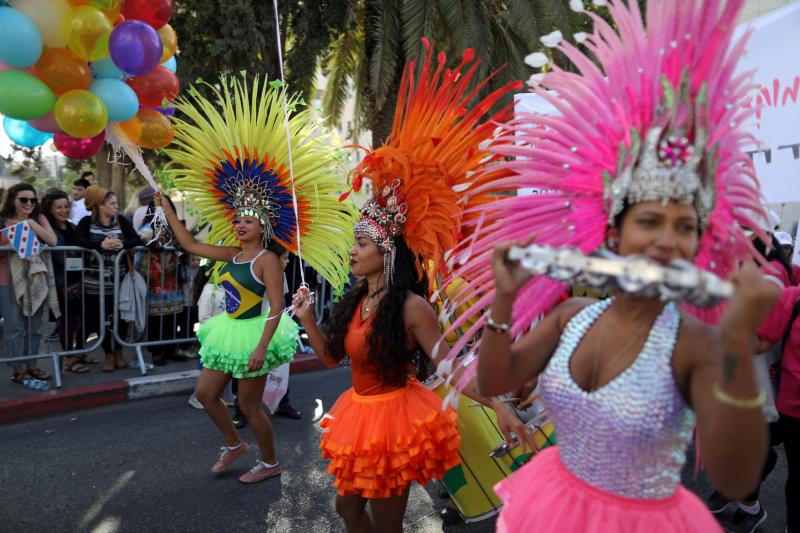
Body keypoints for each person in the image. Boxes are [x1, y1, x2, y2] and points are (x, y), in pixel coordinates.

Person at [435, 1, 780, 531]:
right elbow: (496, 374)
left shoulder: (694, 343)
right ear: (615, 233)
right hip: (554, 501)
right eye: (650, 221)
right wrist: (504, 298)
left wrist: (735, 337)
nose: (667, 239)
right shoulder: (572, 314)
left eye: (685, 226)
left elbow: (735, 478)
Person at [292, 41, 519, 532]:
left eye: (361, 244)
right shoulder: (355, 299)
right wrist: (307, 316)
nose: (352, 251)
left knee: (384, 522)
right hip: (357, 412)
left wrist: (499, 403)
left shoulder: (412, 306)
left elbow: (452, 370)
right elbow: (332, 359)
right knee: (347, 510)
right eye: (354, 243)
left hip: (394, 419)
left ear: (386, 253)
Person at [160, 74, 356, 483]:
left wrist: (262, 347)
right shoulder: (233, 252)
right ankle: (234, 444)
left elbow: (278, 304)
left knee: (250, 406)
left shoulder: (267, 259)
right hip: (229, 331)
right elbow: (191, 246)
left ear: (262, 226)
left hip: (255, 335)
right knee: (206, 395)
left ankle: (270, 462)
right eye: (238, 219)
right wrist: (167, 209)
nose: (240, 225)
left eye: (247, 221)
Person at [74, 185, 141, 372]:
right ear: (100, 205)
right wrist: (100, 244)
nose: (116, 206)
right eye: (112, 203)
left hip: (119, 282)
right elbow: (77, 240)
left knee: (120, 319)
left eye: (116, 203)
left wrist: (122, 244)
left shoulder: (121, 221)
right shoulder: (86, 223)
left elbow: (136, 239)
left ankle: (119, 350)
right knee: (97, 319)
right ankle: (108, 354)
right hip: (93, 284)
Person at [0, 183, 58, 383]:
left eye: (33, 200)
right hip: (7, 281)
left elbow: (53, 241)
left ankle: (32, 365)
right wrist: (8, 244)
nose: (29, 203)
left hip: (35, 279)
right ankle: (18, 368)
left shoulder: (38, 218)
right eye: (23, 200)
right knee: (14, 327)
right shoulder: (2, 221)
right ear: (12, 200)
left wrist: (30, 225)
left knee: (34, 328)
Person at [41, 189, 96, 373]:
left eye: (66, 206)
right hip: (60, 282)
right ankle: (69, 359)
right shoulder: (49, 230)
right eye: (59, 207)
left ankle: (79, 352)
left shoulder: (73, 227)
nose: (64, 210)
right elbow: (58, 255)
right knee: (67, 322)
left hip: (78, 279)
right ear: (50, 209)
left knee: (81, 319)